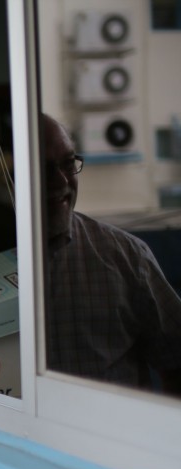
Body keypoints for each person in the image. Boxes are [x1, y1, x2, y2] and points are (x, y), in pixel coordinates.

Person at [42, 113, 181, 396]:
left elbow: (177, 362)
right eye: (42, 169)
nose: (60, 180)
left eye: (68, 163)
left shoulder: (125, 256)